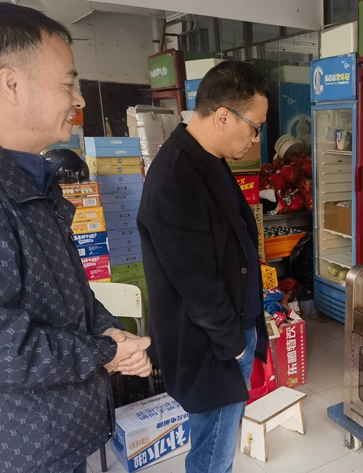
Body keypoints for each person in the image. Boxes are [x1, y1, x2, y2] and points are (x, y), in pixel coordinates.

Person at [0, 3, 153, 472]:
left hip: (56, 437)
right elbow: (0, 346)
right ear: (11, 84)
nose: (79, 100)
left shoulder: (31, 180)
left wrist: (107, 330)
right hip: (21, 453)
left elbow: (66, 295)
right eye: (68, 84)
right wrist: (105, 351)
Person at [137, 61, 270, 473]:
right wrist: (235, 345)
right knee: (212, 457)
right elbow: (196, 283)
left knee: (215, 445)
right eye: (255, 127)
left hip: (229, 332)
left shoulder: (207, 159)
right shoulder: (176, 178)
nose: (255, 138)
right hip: (213, 344)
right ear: (223, 116)